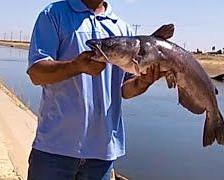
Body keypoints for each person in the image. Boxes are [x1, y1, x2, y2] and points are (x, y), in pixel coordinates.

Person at [26, 0, 173, 179]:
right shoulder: (54, 14)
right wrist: (75, 67)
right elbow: (36, 73)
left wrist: (144, 82)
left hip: (102, 156)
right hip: (54, 150)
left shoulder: (123, 29)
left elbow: (125, 90)